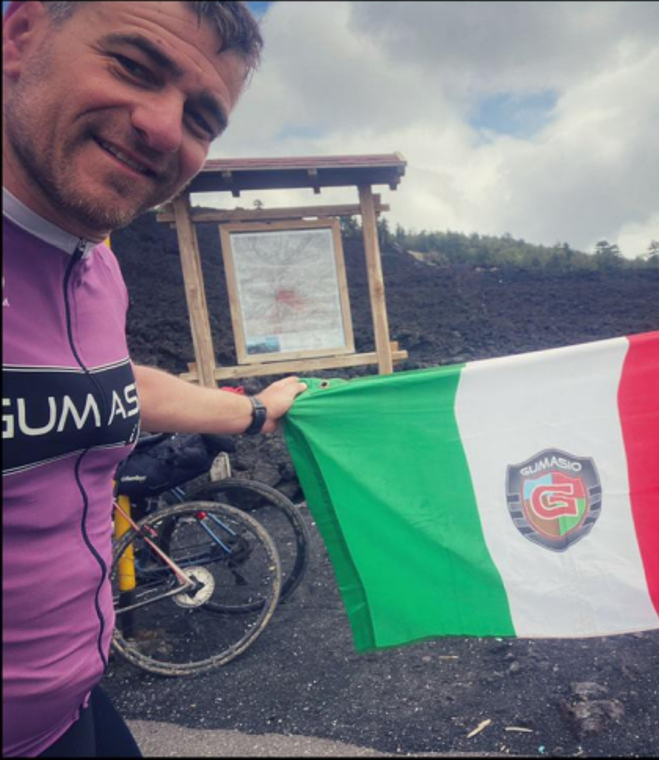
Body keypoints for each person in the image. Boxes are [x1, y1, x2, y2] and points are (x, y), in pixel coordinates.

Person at [2, 2, 306, 756]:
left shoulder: (96, 267)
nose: (165, 128)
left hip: (72, 703)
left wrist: (254, 411)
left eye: (202, 118)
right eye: (134, 66)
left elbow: (109, 383)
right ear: (21, 35)